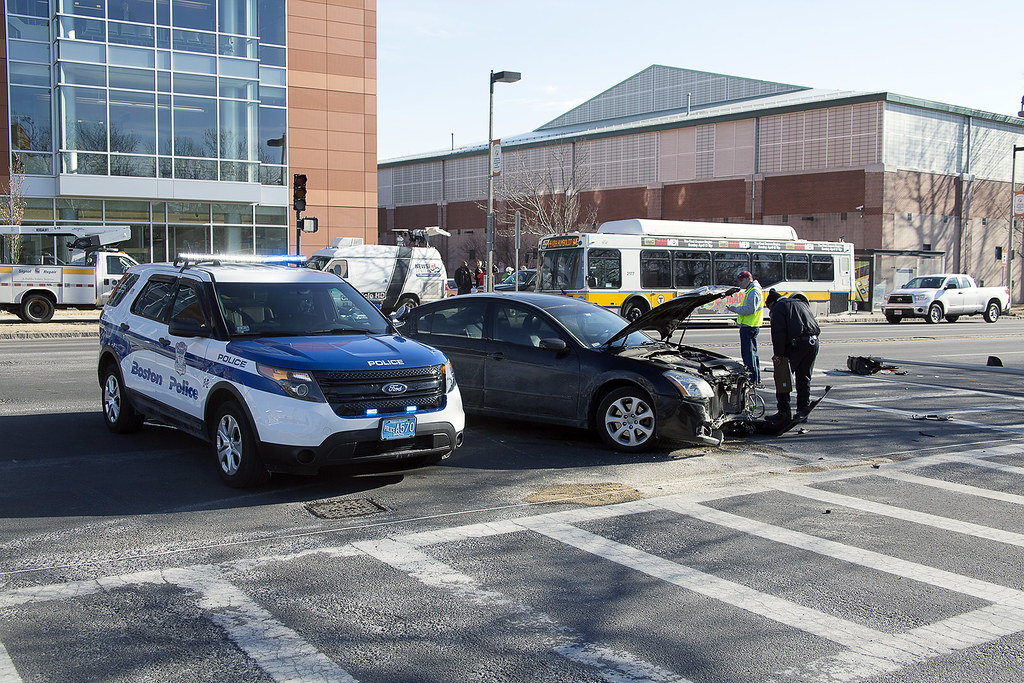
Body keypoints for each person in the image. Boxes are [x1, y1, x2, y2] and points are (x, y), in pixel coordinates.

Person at [765, 289, 820, 423]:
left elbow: (778, 334)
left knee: (782, 377)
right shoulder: (799, 303)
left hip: (796, 344)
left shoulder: (778, 307)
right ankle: (803, 410)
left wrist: (778, 355)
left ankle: (784, 412)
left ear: (771, 303)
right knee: (804, 377)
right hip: (813, 342)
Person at [726, 270, 763, 385]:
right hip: (748, 326)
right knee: (751, 354)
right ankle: (755, 378)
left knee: (749, 355)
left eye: (741, 281)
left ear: (748, 279)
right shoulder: (750, 290)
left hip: (750, 327)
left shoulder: (754, 291)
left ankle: (752, 378)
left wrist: (735, 309)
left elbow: (750, 309)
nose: (740, 284)